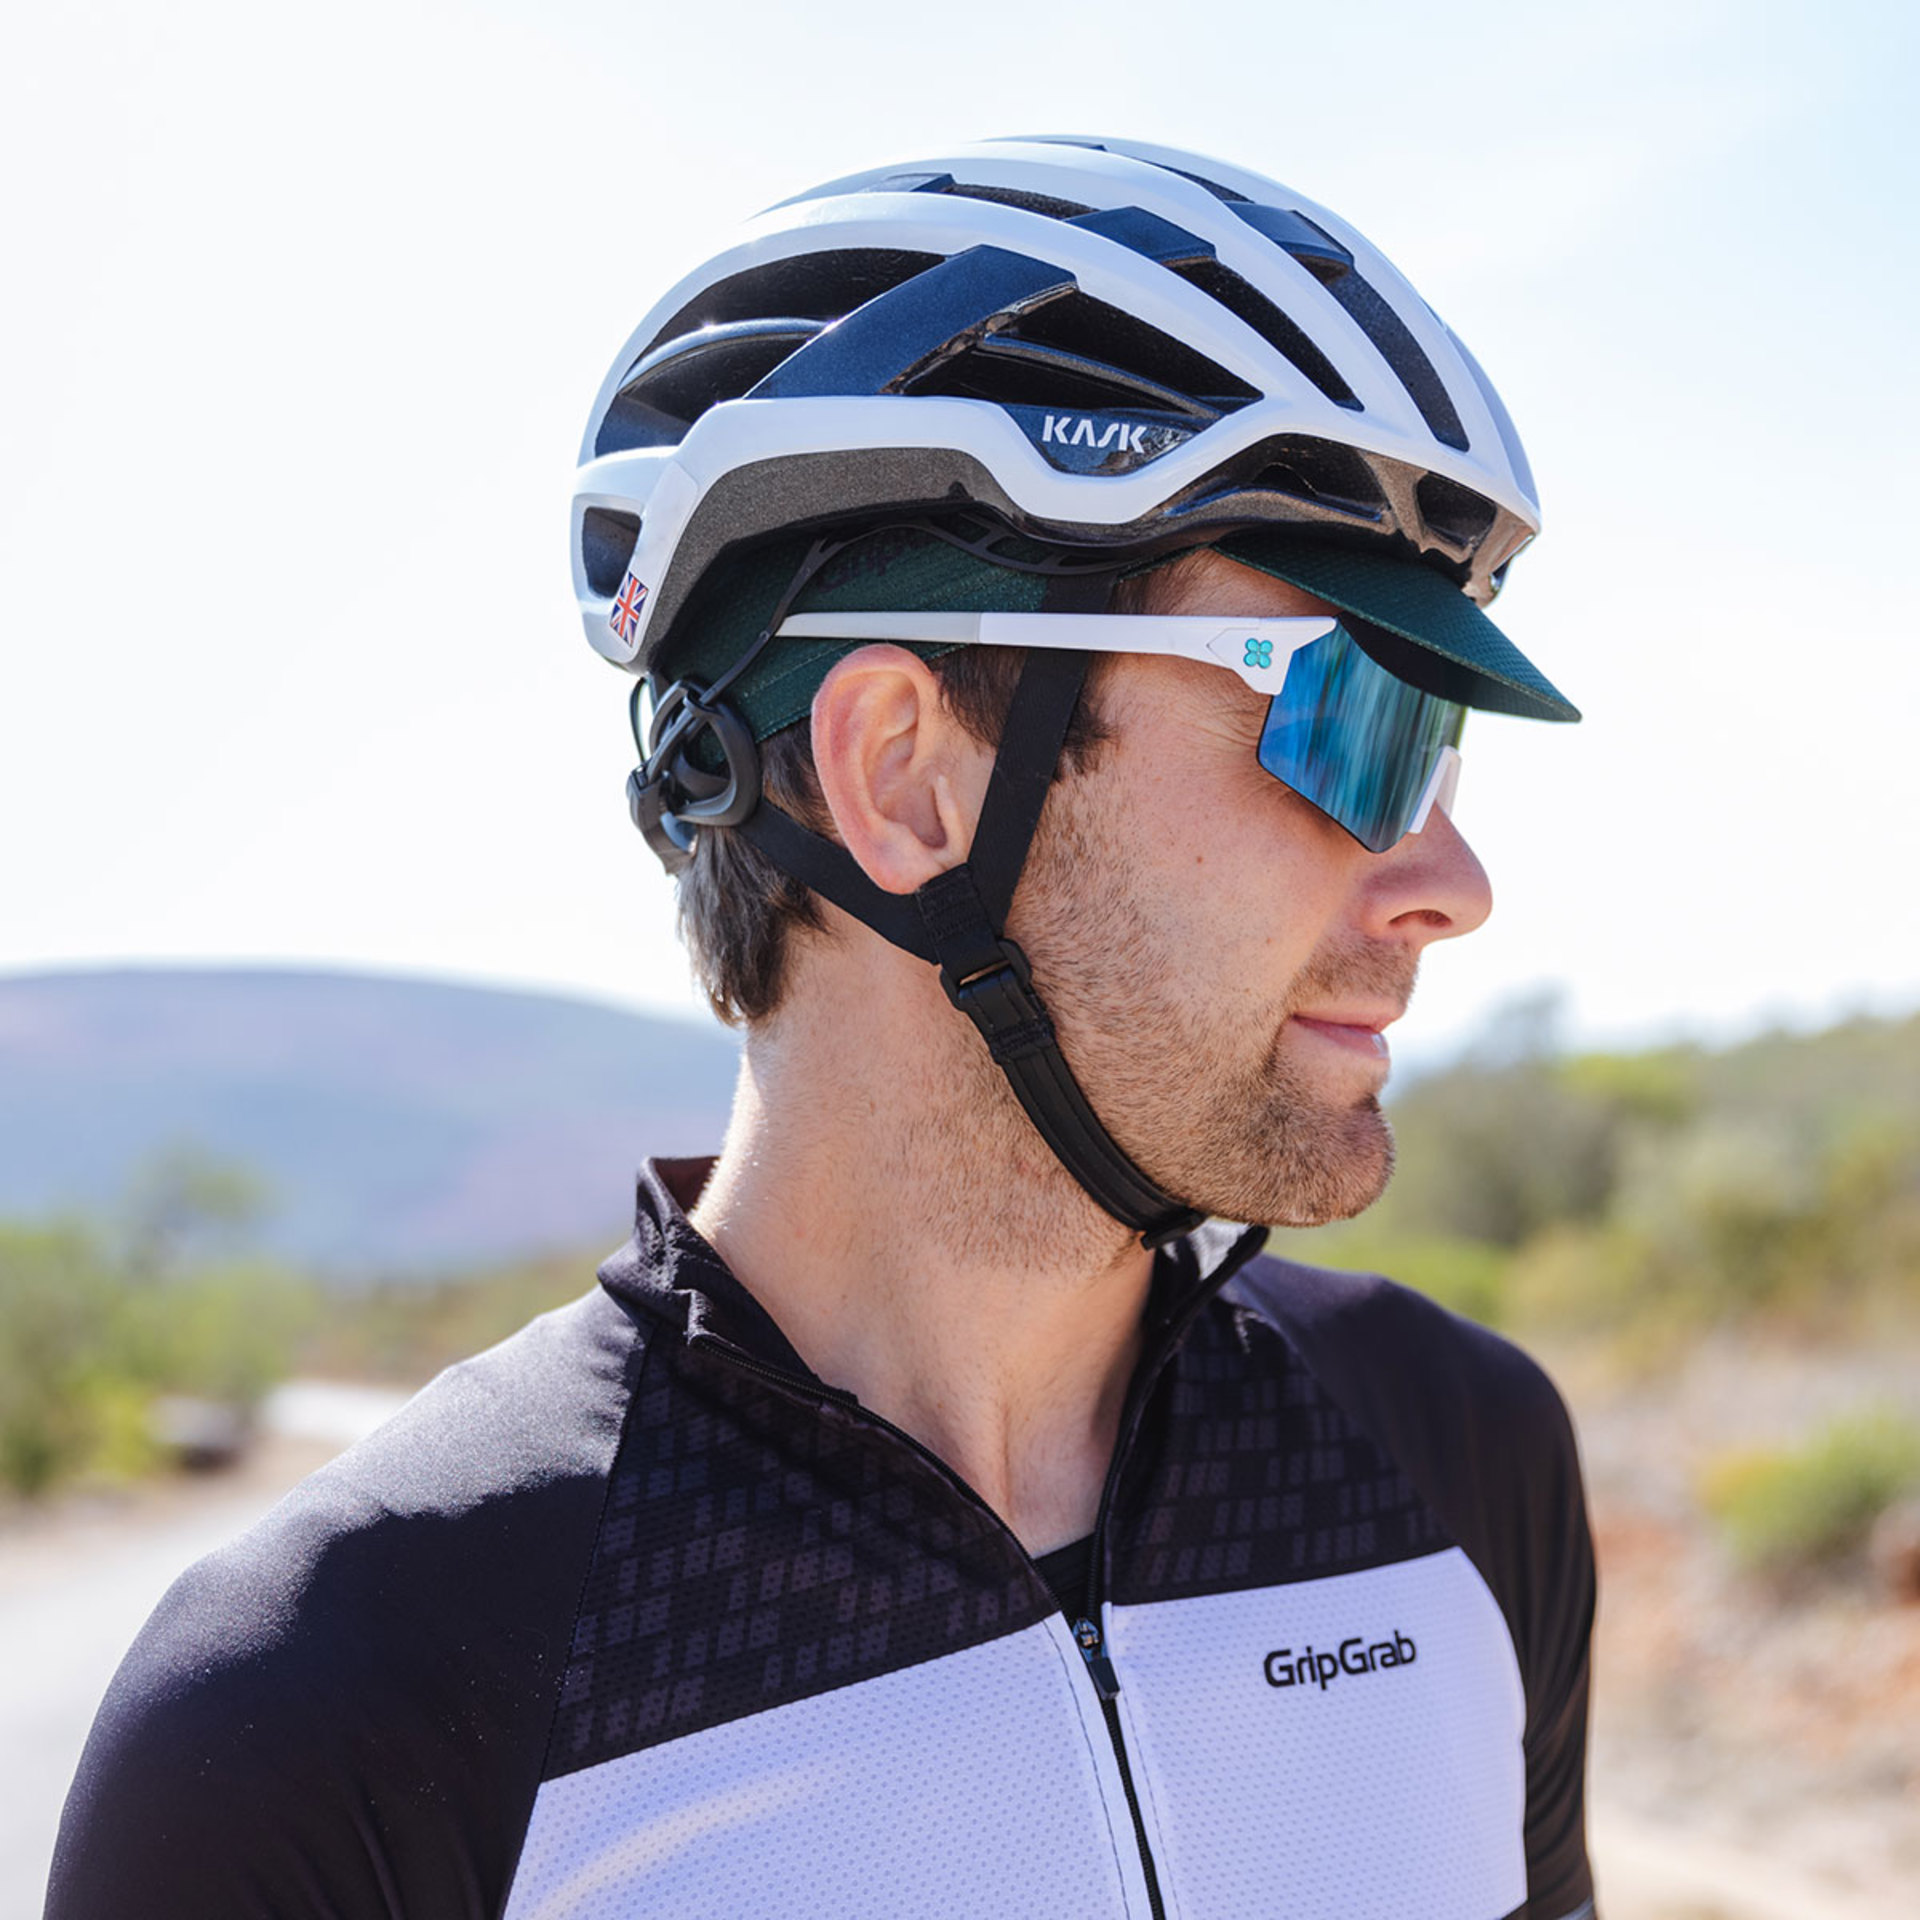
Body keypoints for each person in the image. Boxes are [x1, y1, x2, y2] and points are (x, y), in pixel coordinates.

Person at [49, 137, 1597, 1919]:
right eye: (1355, 724)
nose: (1451, 882)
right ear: (904, 776)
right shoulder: (333, 1706)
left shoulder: (1455, 1454)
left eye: (1439, 746)